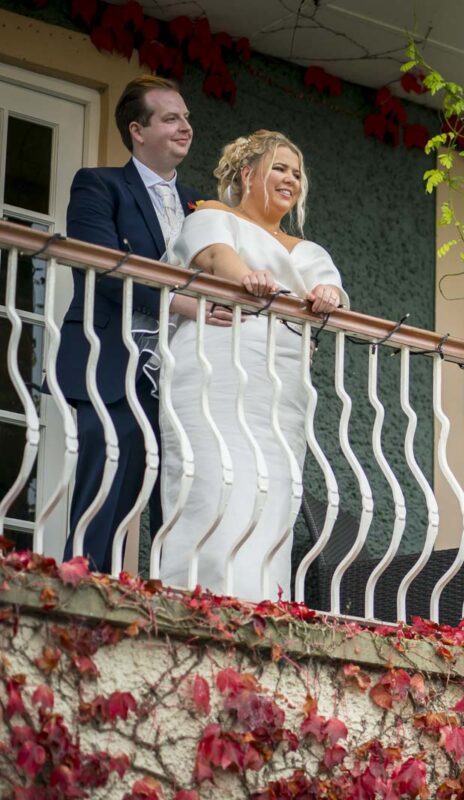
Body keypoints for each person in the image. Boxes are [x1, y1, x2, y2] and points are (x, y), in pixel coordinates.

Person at [157, 130, 347, 601]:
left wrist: (327, 296)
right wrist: (249, 280)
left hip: (281, 385)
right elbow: (217, 259)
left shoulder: (310, 250)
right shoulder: (212, 217)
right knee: (212, 482)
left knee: (271, 494)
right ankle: (197, 601)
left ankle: (261, 604)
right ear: (247, 174)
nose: (291, 179)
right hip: (216, 364)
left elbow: (334, 292)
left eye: (297, 173)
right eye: (280, 168)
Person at [59, 75, 230, 573]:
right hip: (114, 362)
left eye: (187, 118)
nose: (186, 127)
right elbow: (105, 269)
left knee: (180, 495)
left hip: (188, 376)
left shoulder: (203, 206)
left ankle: (172, 602)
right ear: (137, 129)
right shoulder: (98, 185)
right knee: (107, 480)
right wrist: (188, 306)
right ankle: (80, 595)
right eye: (171, 118)